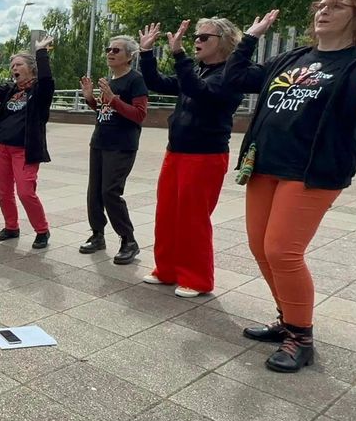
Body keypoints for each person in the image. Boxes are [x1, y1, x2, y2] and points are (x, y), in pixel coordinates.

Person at [224, 0, 356, 373]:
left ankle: (300, 337)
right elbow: (236, 79)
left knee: (282, 251)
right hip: (265, 165)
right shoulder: (295, 58)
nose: (324, 11)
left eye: (337, 6)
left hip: (312, 171)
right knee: (261, 247)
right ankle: (286, 318)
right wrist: (249, 39)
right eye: (321, 5)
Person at [139, 19, 245, 297]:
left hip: (206, 155)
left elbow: (201, 92)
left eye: (204, 37)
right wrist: (147, 53)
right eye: (196, 36)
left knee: (193, 218)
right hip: (177, 151)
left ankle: (197, 279)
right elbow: (157, 82)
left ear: (222, 41)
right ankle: (167, 270)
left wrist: (178, 55)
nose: (196, 41)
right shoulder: (197, 70)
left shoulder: (231, 74)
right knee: (167, 214)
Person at [0, 35, 55, 249]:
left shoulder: (40, 91)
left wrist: (41, 52)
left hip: (25, 150)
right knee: (4, 191)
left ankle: (42, 230)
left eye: (18, 64)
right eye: (12, 65)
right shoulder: (10, 90)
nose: (14, 68)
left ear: (31, 68)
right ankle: (11, 226)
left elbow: (47, 80)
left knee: (25, 191)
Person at [79, 36, 149, 265]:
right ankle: (97, 235)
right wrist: (91, 99)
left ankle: (128, 240)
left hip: (121, 145)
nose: (110, 52)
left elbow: (139, 114)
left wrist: (113, 99)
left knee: (110, 192)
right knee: (94, 192)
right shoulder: (111, 80)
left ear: (129, 56)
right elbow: (104, 110)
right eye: (108, 48)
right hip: (99, 141)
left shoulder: (135, 80)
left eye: (116, 50)